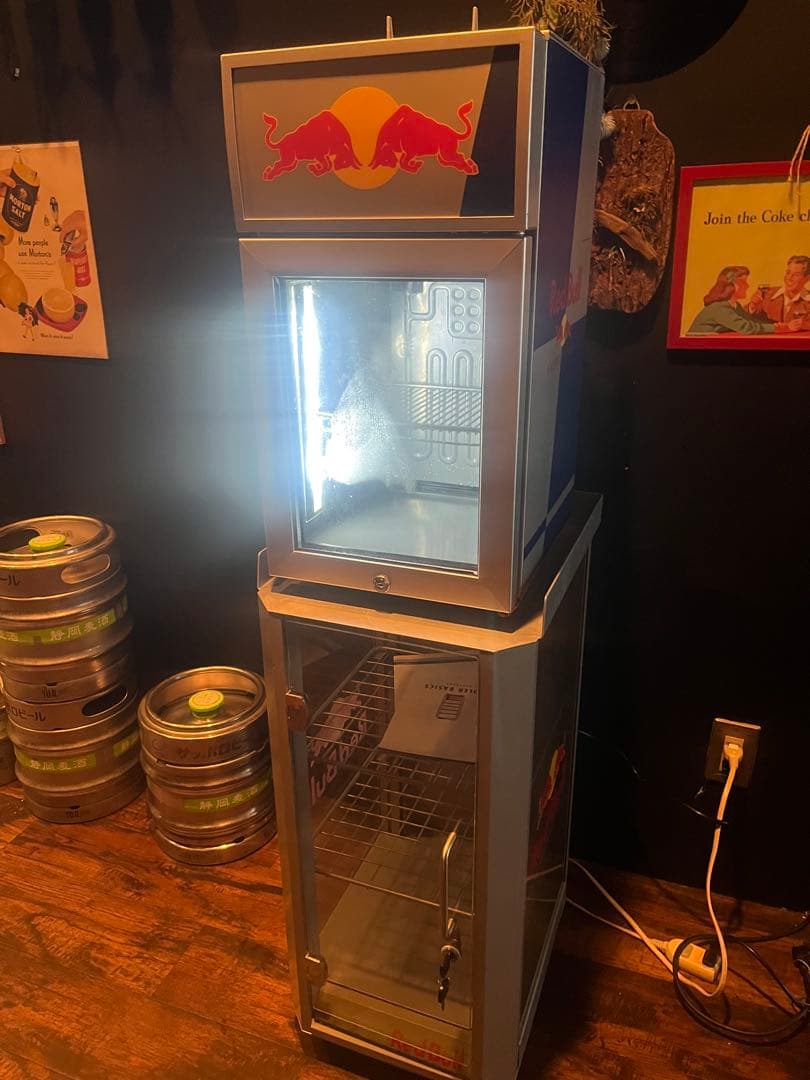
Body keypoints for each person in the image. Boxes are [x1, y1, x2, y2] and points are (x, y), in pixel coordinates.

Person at [687, 265, 803, 335]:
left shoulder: (735, 305)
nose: (747, 286)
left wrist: (781, 324)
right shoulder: (720, 307)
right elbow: (747, 327)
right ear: (729, 285)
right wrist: (783, 328)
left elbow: (752, 321)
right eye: (742, 282)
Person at [748, 255, 810, 329]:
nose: (789, 278)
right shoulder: (766, 294)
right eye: (788, 273)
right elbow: (742, 317)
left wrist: (805, 325)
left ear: (807, 278)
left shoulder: (808, 300)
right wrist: (752, 306)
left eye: (796, 275)